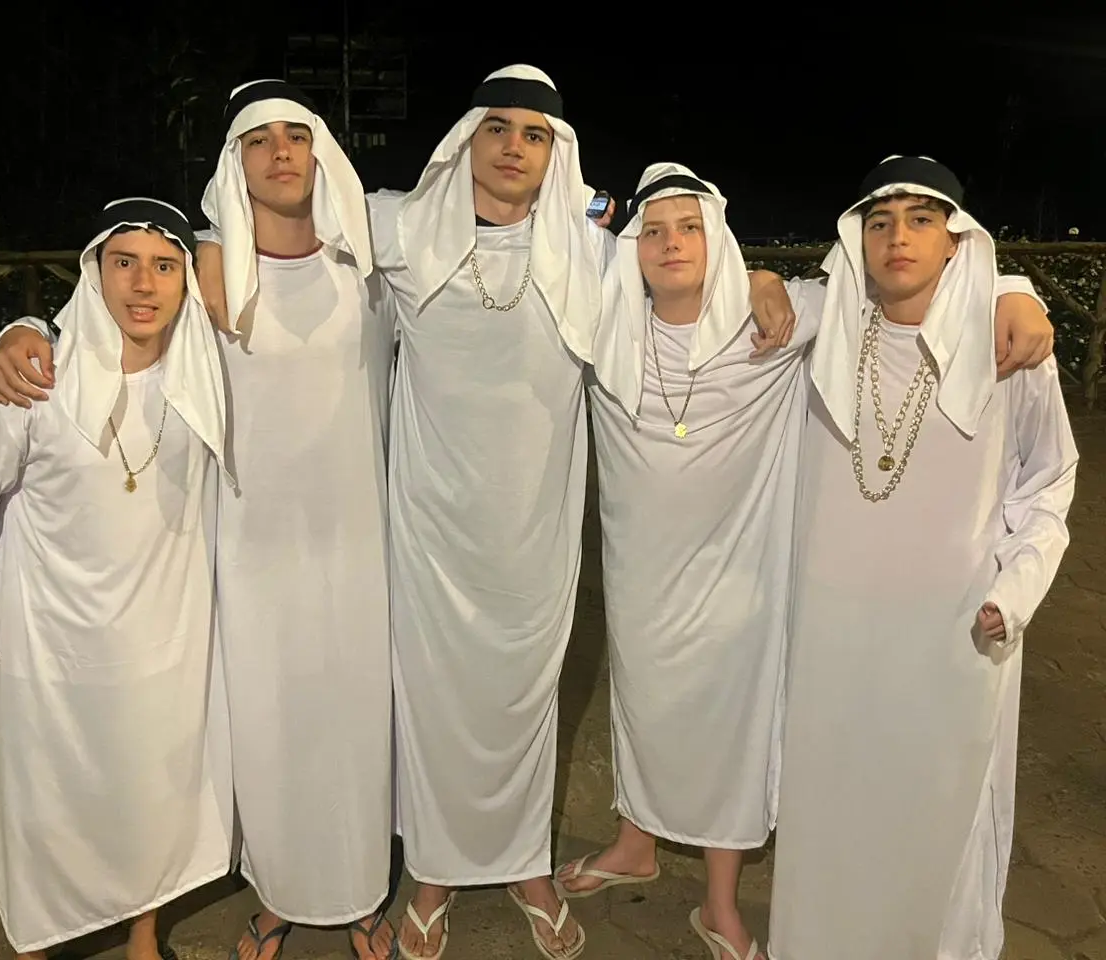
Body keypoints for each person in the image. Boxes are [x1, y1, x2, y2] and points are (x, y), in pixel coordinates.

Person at [557, 162, 1057, 960]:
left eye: (690, 228)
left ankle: (729, 905)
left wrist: (1014, 288)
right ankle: (635, 842)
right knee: (645, 703)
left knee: (744, 726)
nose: (671, 244)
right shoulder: (606, 328)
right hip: (644, 573)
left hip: (763, 580)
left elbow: (1042, 469)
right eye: (652, 231)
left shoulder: (779, 327)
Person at [364, 67, 795, 960]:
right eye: (498, 128)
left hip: (537, 529)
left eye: (535, 134)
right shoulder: (399, 228)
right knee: (437, 701)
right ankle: (433, 874)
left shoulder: (591, 253)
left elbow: (690, 262)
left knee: (526, 702)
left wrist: (758, 273)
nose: (514, 146)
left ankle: (525, 864)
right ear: (468, 139)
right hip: (430, 527)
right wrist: (199, 249)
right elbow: (282, 227)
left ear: (555, 152)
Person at [0, 81, 398, 960]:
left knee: (355, 723)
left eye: (297, 136)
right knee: (266, 728)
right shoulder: (209, 273)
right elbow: (110, 321)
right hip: (243, 548)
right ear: (233, 164)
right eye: (259, 140)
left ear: (321, 151)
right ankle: (279, 892)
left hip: (357, 545)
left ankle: (360, 889)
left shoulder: (370, 262)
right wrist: (18, 330)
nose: (281, 153)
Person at [767, 155, 1078, 960]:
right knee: (833, 810)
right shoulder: (829, 329)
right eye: (879, 222)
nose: (897, 237)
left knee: (935, 817)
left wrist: (1016, 592)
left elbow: (1049, 480)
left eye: (920, 219)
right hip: (836, 638)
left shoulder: (1008, 347)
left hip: (953, 635)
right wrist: (763, 277)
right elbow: (739, 301)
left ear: (955, 240)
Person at [0, 198, 231, 960]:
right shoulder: (39, 382)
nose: (143, 285)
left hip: (165, 641)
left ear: (185, 283)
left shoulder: (202, 379)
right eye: (124, 262)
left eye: (164, 266)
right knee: (48, 804)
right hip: (54, 644)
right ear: (94, 272)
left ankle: (142, 933)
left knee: (152, 797)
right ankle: (36, 941)